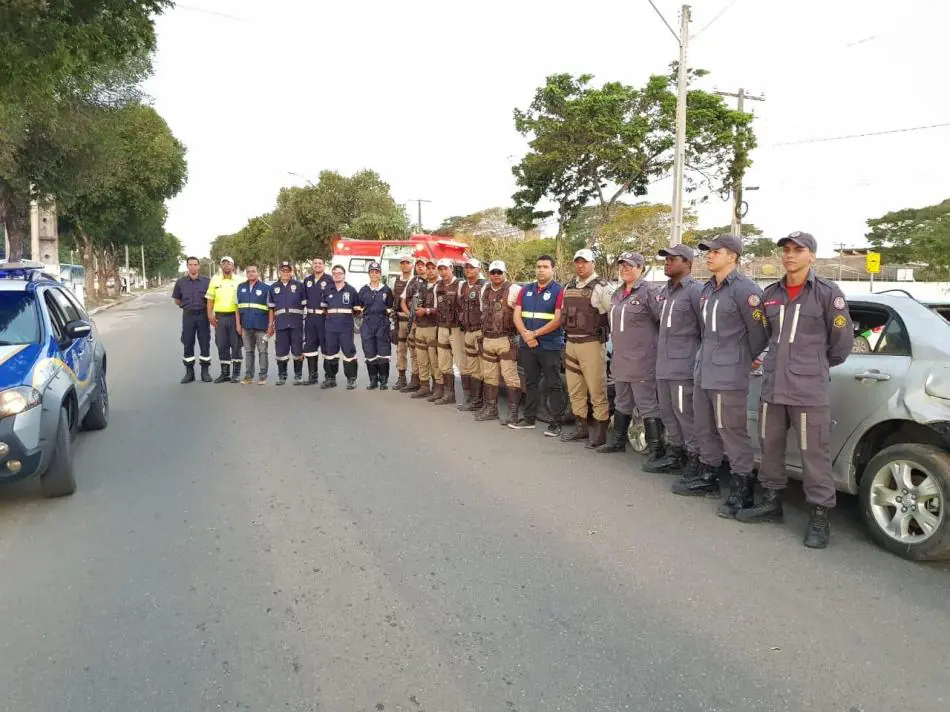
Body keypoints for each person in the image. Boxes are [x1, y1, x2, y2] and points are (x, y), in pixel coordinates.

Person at [736, 231, 854, 549]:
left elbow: (841, 344)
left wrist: (813, 366)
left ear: (811, 256)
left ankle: (819, 515)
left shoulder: (828, 294)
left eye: (797, 250)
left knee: (813, 454)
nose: (790, 255)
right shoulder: (770, 293)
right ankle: (771, 502)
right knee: (770, 447)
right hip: (772, 387)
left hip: (807, 390)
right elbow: (760, 334)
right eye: (786, 250)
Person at [672, 234, 769, 519]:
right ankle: (708, 476)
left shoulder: (745, 290)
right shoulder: (707, 290)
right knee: (704, 427)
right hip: (704, 369)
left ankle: (742, 490)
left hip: (729, 373)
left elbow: (759, 334)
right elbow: (705, 331)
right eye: (708, 251)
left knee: (732, 432)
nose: (709, 255)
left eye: (716, 251)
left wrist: (740, 360)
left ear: (733, 256)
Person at [644, 244, 704, 476]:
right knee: (668, 413)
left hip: (684, 367)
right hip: (663, 365)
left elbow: (706, 329)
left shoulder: (696, 291)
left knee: (685, 415)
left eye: (673, 259)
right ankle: (676, 453)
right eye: (665, 259)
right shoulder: (665, 291)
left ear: (687, 263)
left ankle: (695, 459)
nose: (667, 263)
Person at [597, 252, 663, 459]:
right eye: (622, 265)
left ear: (641, 269)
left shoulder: (650, 292)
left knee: (647, 405)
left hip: (643, 361)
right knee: (622, 402)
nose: (625, 269)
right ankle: (617, 441)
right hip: (621, 360)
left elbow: (663, 322)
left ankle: (656, 449)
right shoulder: (617, 293)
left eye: (630, 266)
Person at [559, 248, 613, 448]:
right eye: (577, 262)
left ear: (593, 264)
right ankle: (580, 427)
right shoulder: (569, 286)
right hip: (571, 343)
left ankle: (600, 433)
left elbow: (614, 314)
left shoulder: (602, 287)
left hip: (591, 344)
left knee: (597, 390)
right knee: (575, 389)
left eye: (584, 262)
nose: (580, 265)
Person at [510, 254, 567, 435]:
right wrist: (526, 335)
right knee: (530, 382)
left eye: (545, 267)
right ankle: (529, 419)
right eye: (538, 266)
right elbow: (516, 316)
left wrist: (533, 334)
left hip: (550, 345)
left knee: (554, 383)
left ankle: (555, 423)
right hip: (528, 344)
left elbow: (558, 320)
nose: (541, 270)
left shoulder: (559, 291)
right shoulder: (526, 290)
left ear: (553, 269)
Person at [474, 261, 522, 425]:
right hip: (488, 338)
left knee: (510, 376)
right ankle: (491, 409)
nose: (496, 275)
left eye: (499, 272)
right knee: (489, 375)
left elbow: (519, 313)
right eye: (493, 272)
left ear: (505, 273)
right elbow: (483, 311)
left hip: (506, 339)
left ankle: (513, 413)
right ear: (489, 273)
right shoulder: (485, 290)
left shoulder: (514, 290)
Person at [171, 256, 212, 383]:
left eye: (195, 264)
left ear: (199, 266)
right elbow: (177, 300)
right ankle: (189, 373)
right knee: (188, 343)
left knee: (204, 343)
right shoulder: (181, 282)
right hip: (188, 315)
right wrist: (186, 306)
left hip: (203, 315)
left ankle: (205, 372)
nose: (193, 267)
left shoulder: (207, 281)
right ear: (187, 266)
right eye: (190, 264)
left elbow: (211, 299)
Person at [321, 264, 362, 390]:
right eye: (335, 273)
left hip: (346, 327)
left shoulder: (351, 290)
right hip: (331, 327)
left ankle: (351, 379)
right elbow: (324, 308)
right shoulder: (327, 290)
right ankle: (330, 378)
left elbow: (357, 310)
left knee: (349, 352)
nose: (337, 275)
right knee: (330, 353)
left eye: (339, 273)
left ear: (344, 275)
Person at [358, 261, 395, 390]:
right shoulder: (363, 290)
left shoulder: (386, 290)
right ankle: (373, 380)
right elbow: (358, 308)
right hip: (367, 323)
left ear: (380, 274)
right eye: (372, 272)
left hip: (382, 323)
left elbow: (391, 307)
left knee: (383, 352)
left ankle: (383, 380)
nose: (374, 274)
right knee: (369, 352)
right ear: (369, 273)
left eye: (377, 272)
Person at [205, 255, 243, 383]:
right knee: (222, 344)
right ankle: (224, 373)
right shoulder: (215, 280)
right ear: (221, 266)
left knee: (236, 345)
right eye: (224, 263)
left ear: (233, 266)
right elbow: (210, 299)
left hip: (235, 316)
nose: (226, 265)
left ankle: (236, 373)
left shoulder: (240, 280)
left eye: (229, 263)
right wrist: (210, 315)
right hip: (220, 317)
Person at [268, 261, 306, 385]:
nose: (285, 273)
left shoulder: (299, 286)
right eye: (283, 270)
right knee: (281, 351)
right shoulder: (273, 287)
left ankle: (298, 376)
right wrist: (270, 325)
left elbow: (306, 305)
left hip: (296, 324)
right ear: (280, 272)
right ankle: (282, 376)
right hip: (281, 324)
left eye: (287, 270)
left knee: (297, 350)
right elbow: (271, 309)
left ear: (291, 272)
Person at [456, 257, 486, 413]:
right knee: (471, 366)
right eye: (466, 267)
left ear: (478, 269)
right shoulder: (463, 286)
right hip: (467, 331)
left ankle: (482, 402)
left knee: (483, 367)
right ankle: (474, 399)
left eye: (472, 267)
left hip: (480, 331)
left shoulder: (484, 286)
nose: (468, 270)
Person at [434, 258, 465, 405]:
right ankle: (449, 395)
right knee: (443, 362)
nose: (443, 272)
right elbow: (436, 307)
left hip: (456, 329)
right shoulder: (437, 286)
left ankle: (470, 398)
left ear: (451, 268)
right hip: (442, 328)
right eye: (440, 269)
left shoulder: (460, 285)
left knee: (461, 363)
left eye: (445, 268)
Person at [235, 265, 272, 385]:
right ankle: (248, 377)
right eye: (248, 272)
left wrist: (270, 326)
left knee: (263, 352)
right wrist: (238, 325)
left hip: (261, 326)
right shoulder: (241, 287)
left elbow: (271, 309)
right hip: (246, 326)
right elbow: (237, 308)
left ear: (258, 273)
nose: (251, 273)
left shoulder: (266, 288)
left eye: (253, 271)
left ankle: (263, 377)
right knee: (248, 351)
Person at [409, 259, 440, 400]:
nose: (430, 270)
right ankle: (424, 386)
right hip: (420, 326)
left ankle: (437, 388)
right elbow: (413, 303)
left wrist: (426, 310)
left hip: (433, 326)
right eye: (428, 268)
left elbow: (444, 308)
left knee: (434, 360)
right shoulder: (421, 286)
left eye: (433, 268)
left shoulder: (441, 286)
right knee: (421, 359)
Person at [398, 257, 428, 393]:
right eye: (418, 265)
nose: (420, 267)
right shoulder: (412, 280)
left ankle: (427, 384)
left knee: (429, 355)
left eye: (423, 265)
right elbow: (403, 300)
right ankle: (415, 380)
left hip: (428, 323)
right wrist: (409, 314)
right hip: (413, 322)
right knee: (414, 352)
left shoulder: (434, 281)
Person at [302, 257, 332, 386]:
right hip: (310, 317)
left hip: (323, 318)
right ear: (312, 266)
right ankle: (312, 376)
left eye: (320, 263)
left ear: (324, 265)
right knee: (310, 347)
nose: (317, 265)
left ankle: (329, 377)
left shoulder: (329, 279)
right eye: (315, 263)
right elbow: (303, 299)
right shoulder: (307, 280)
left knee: (326, 348)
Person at [390, 256, 415, 390]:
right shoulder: (396, 281)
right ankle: (402, 378)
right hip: (400, 320)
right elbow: (394, 299)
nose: (405, 266)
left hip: (414, 321)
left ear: (412, 265)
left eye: (407, 263)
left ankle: (416, 379)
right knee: (400, 350)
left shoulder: (416, 280)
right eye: (402, 263)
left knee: (415, 351)